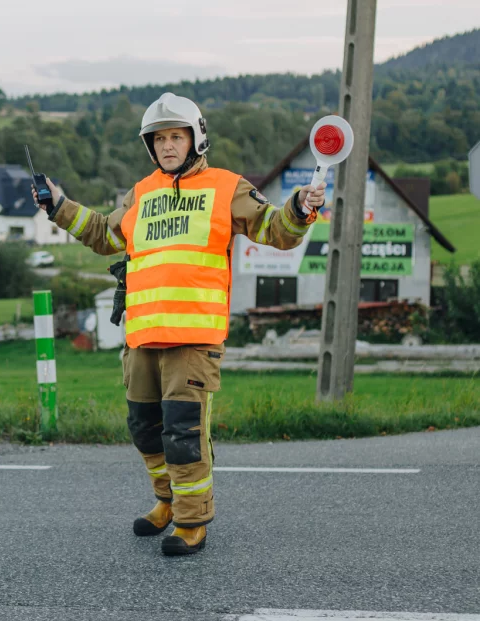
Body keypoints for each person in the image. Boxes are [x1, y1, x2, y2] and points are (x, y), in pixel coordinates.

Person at [32, 92, 325, 556]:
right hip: (143, 336)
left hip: (194, 338)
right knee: (145, 429)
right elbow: (106, 235)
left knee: (183, 433)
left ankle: (192, 522)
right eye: (160, 138)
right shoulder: (141, 193)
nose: (168, 145)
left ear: (196, 138)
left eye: (176, 135)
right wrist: (59, 205)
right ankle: (166, 503)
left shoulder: (227, 188)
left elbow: (276, 230)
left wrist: (301, 207)